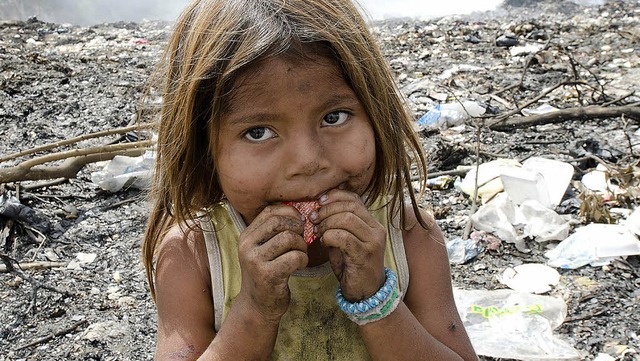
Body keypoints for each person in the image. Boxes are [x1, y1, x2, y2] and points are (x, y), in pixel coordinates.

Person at [142, 0, 478, 360]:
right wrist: (256, 310)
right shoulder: (192, 254)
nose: (308, 162)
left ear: (377, 115)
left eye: (334, 117)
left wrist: (376, 299)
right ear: (205, 151)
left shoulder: (408, 234)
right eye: (258, 132)